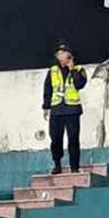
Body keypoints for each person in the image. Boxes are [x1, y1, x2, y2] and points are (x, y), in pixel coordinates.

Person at [42, 43, 88, 174]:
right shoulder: (52, 71)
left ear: (69, 55)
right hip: (57, 110)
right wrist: (46, 107)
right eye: (58, 54)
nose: (60, 56)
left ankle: (74, 167)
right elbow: (48, 89)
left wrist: (72, 69)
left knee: (73, 139)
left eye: (62, 53)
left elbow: (80, 84)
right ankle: (57, 164)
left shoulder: (79, 69)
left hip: (72, 110)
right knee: (56, 139)